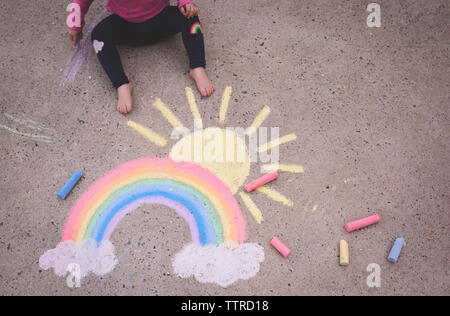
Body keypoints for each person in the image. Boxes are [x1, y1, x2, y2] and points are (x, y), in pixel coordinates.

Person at [67, 0, 215, 114]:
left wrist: (185, 2)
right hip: (125, 26)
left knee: (191, 18)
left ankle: (197, 66)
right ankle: (121, 83)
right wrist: (74, 23)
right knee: (99, 36)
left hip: (160, 20)